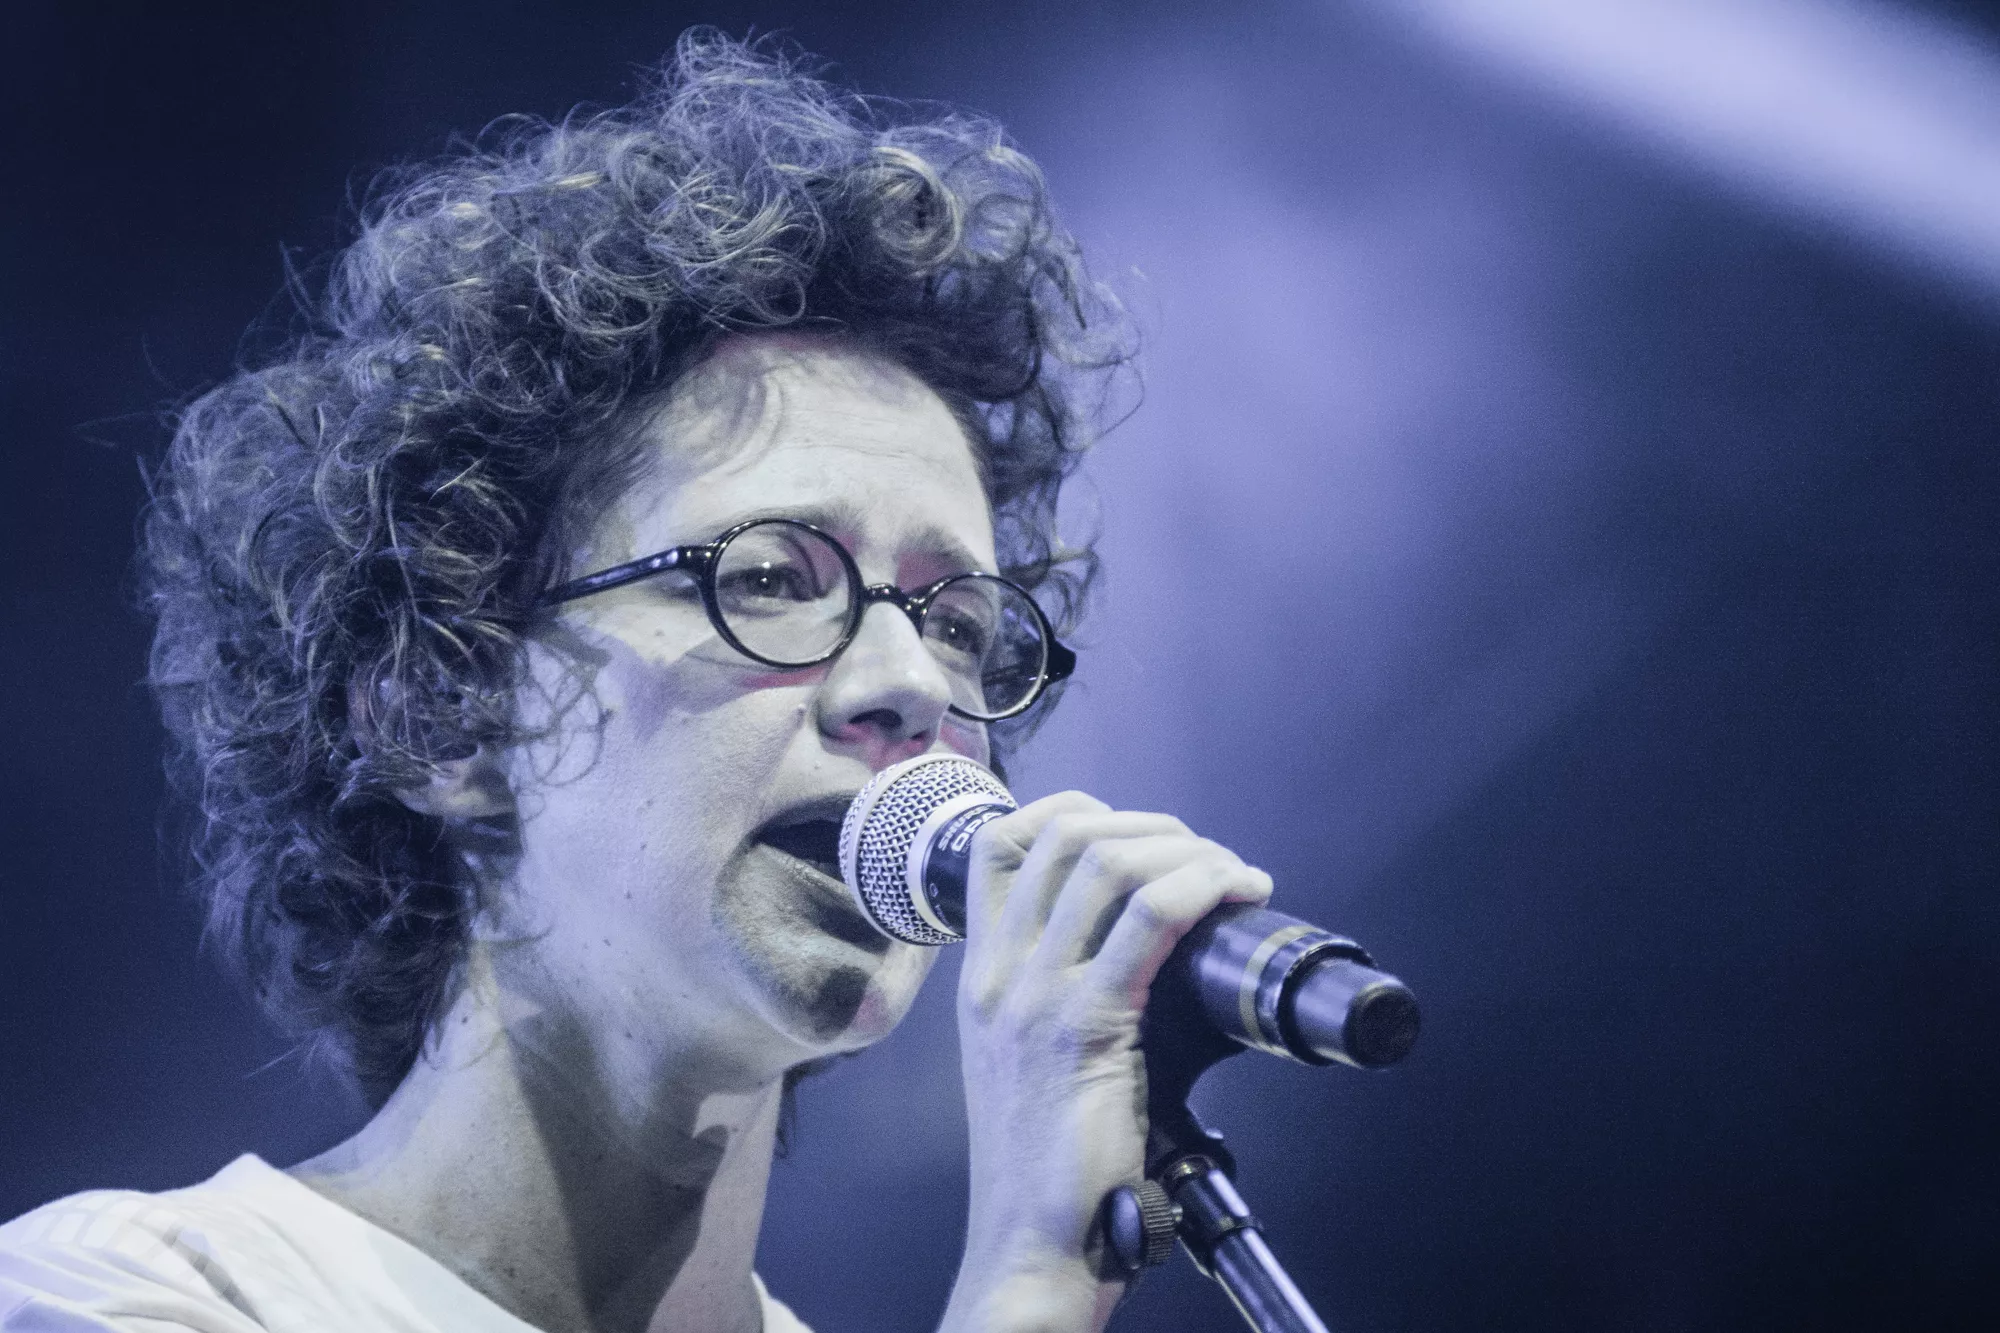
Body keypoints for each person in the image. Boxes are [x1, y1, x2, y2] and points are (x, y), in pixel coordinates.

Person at [0, 32, 1272, 1333]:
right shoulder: (126, 1294)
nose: (911, 684)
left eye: (957, 623)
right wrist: (1039, 1280)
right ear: (439, 711)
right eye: (769, 578)